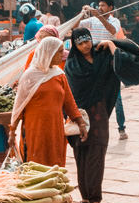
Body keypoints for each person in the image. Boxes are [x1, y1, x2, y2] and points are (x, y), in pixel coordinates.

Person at [65, 27, 120, 203]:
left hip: (98, 113)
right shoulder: (72, 65)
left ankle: (96, 198)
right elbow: (71, 94)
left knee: (97, 153)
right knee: (81, 154)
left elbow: (123, 63)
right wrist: (75, 116)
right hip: (78, 114)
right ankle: (85, 197)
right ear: (75, 45)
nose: (85, 45)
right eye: (80, 43)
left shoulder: (102, 56)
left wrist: (112, 45)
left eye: (87, 40)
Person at [10, 36, 85, 169]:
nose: (63, 55)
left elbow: (69, 102)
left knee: (55, 166)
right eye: (59, 51)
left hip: (55, 130)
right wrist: (12, 131)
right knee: (35, 168)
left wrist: (80, 123)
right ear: (49, 52)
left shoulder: (59, 74)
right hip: (35, 131)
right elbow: (19, 106)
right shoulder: (29, 76)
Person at [86, 0, 128, 140]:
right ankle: (93, 127)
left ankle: (121, 128)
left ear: (110, 8)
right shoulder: (91, 21)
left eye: (103, 5)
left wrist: (100, 17)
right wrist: (82, 13)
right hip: (95, 61)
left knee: (116, 96)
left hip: (110, 62)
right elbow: (76, 26)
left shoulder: (115, 21)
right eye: (99, 5)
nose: (100, 8)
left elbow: (111, 31)